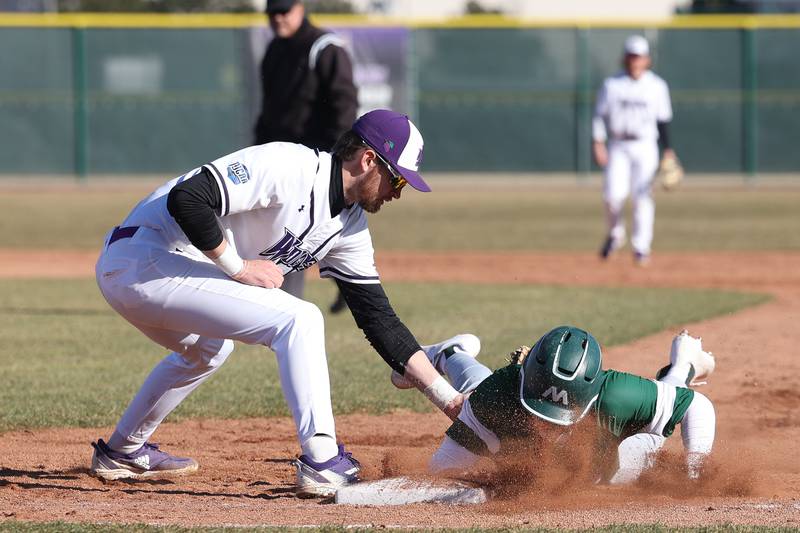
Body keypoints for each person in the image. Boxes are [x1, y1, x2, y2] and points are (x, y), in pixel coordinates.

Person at [90, 109, 469, 498]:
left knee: (208, 349)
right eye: (397, 179)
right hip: (144, 257)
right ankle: (322, 462)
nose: (397, 193)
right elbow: (188, 199)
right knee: (299, 318)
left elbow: (378, 319)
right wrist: (238, 268)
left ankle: (122, 452)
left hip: (160, 273)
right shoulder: (290, 166)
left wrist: (451, 401)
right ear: (368, 159)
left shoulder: (349, 226)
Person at [398, 326, 716, 484]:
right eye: (540, 411)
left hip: (607, 467)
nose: (546, 427)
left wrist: (696, 468)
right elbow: (440, 473)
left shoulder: (615, 396)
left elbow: (696, 408)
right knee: (483, 394)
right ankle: (451, 353)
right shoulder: (499, 395)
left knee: (654, 441)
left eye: (558, 417)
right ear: (524, 381)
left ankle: (683, 364)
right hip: (501, 397)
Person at [254, 0, 358, 312]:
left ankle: (339, 288)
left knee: (311, 227)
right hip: (280, 156)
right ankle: (304, 295)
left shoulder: (325, 47)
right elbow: (269, 107)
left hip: (318, 157)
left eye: (285, 11)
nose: (278, 18)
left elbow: (345, 105)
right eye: (272, 13)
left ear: (301, 8)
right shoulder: (274, 50)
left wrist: (337, 157)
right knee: (288, 226)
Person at [592, 35, 678, 266]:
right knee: (612, 196)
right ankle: (615, 234)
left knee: (642, 197)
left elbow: (663, 121)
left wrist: (668, 150)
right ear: (624, 58)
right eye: (631, 56)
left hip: (646, 145)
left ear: (647, 60)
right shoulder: (612, 85)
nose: (634, 61)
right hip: (618, 144)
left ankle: (641, 247)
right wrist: (598, 142)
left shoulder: (657, 86)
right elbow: (599, 116)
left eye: (638, 57)